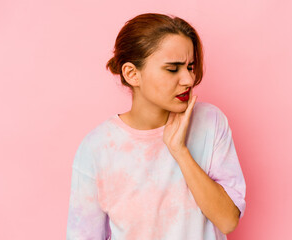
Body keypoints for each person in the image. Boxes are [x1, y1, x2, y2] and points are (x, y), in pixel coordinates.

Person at [66, 12, 246, 240]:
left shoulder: (210, 122)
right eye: (173, 69)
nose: (189, 80)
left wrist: (180, 151)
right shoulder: (97, 148)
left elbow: (228, 220)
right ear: (132, 74)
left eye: (190, 67)